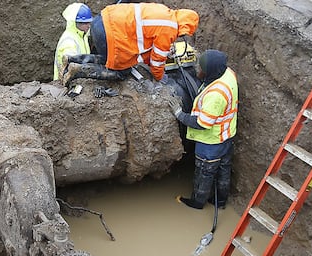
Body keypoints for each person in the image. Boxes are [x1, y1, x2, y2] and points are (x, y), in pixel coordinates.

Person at [167, 49, 238, 210]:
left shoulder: (215, 95)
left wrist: (180, 114)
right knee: (223, 169)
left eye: (202, 69)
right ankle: (220, 201)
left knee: (204, 172)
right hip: (227, 134)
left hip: (211, 141)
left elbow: (202, 123)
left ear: (210, 71)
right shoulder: (228, 73)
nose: (198, 70)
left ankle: (197, 202)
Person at [62, 3, 199, 85]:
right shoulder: (170, 28)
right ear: (185, 26)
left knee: (107, 59)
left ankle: (72, 59)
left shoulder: (164, 12)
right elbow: (157, 61)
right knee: (121, 71)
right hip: (111, 32)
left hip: (101, 20)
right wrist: (160, 77)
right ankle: (78, 71)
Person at [53, 3, 93, 81]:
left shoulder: (82, 35)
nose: (89, 26)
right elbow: (71, 70)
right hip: (65, 84)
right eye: (85, 23)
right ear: (75, 23)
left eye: (89, 22)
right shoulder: (68, 42)